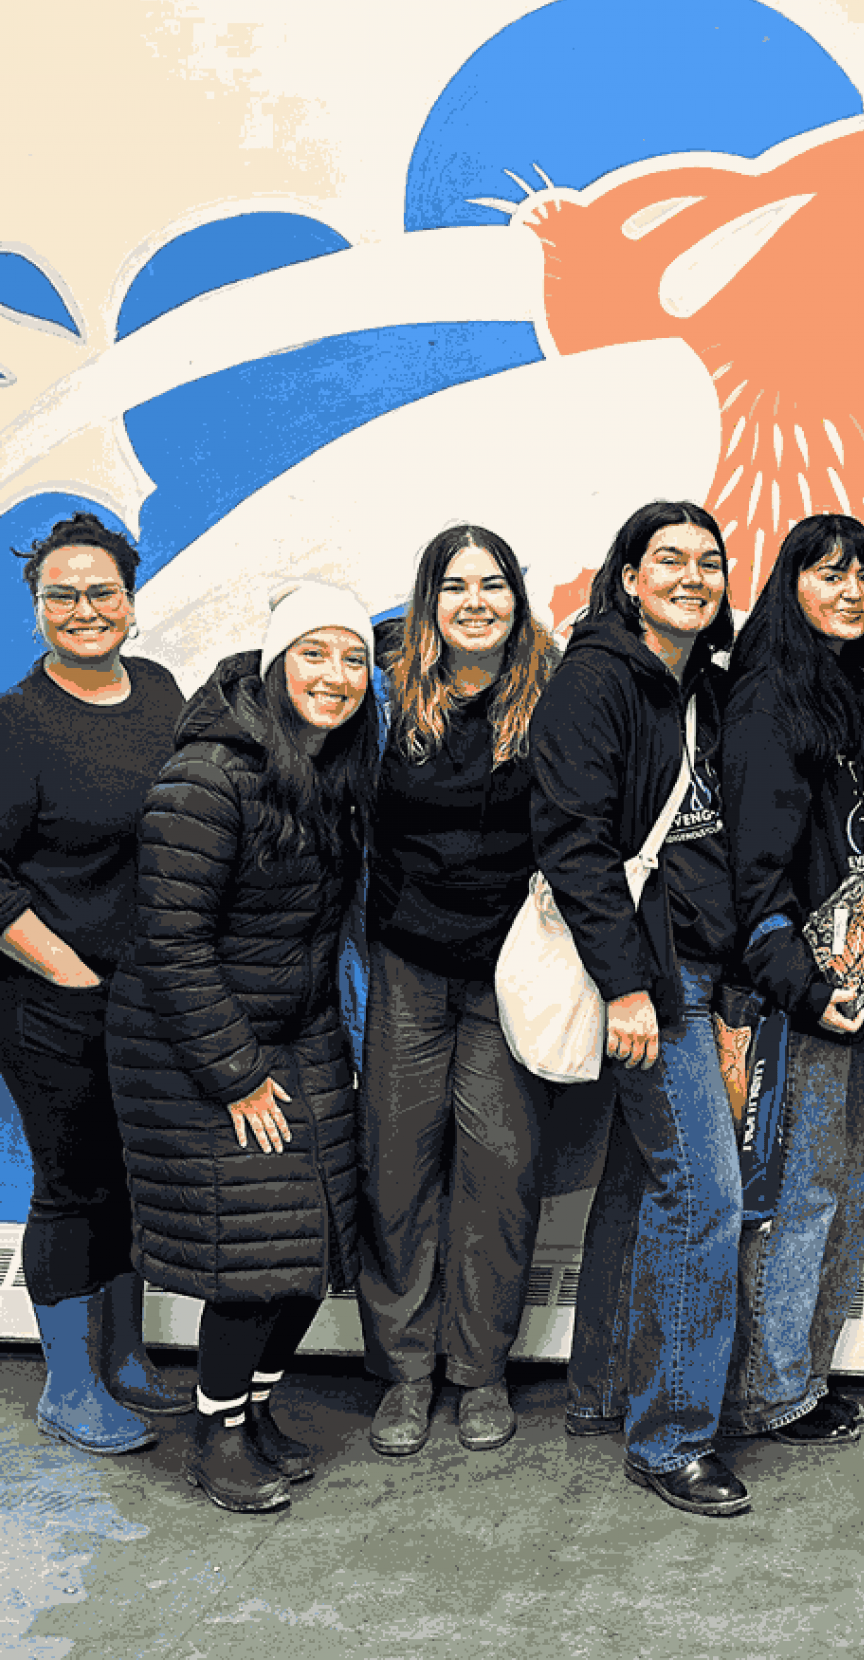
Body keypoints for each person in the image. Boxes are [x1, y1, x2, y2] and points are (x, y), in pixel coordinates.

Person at [106, 584, 379, 1516]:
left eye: (353, 659)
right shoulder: (210, 775)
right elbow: (171, 941)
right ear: (274, 662)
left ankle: (252, 1411)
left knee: (317, 1241)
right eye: (315, 654)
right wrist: (235, 1075)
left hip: (296, 1033)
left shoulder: (332, 771)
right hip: (196, 1046)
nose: (336, 676)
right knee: (257, 1253)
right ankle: (213, 1434)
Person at [0, 513, 192, 1458]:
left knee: (129, 1177)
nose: (85, 610)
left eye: (102, 592)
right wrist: (74, 972)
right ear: (37, 608)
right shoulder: (12, 727)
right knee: (72, 1182)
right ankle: (70, 1386)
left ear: (130, 597)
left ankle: (125, 1362)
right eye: (62, 596)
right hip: (49, 996)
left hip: (148, 997)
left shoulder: (162, 692)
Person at [535, 501, 746, 1516]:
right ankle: (671, 1441)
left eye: (709, 562)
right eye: (670, 560)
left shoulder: (691, 681)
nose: (692, 576)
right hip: (648, 980)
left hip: (692, 968)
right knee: (706, 1198)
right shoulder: (597, 678)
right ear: (628, 576)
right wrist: (629, 987)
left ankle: (602, 1387)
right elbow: (574, 844)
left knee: (644, 1186)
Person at [357, 525, 557, 1457]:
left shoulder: (552, 691)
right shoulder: (385, 686)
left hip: (510, 968)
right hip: (407, 960)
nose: (475, 601)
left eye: (494, 584)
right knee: (397, 1164)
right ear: (428, 598)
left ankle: (480, 1371)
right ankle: (405, 1373)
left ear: (517, 598)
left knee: (501, 1173)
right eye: (455, 585)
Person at [720, 514, 864, 1451]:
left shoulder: (856, 688)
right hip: (806, 989)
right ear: (790, 585)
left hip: (863, 973)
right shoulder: (766, 700)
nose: (851, 591)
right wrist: (801, 985)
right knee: (804, 1188)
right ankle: (770, 1390)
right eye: (829, 573)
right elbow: (755, 874)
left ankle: (801, 1371)